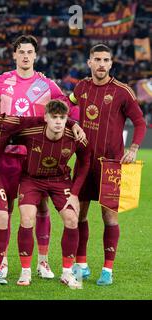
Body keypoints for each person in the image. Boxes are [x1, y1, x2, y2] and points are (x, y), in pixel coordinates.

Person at [0, 35, 79, 280]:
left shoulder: (47, 85)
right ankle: (4, 259)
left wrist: (73, 124)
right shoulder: (0, 81)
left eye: (30, 52)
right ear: (14, 55)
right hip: (7, 154)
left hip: (35, 156)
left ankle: (43, 262)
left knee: (41, 208)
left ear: (36, 55)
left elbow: (65, 107)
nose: (26, 56)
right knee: (5, 208)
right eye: (21, 52)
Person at [70, 44, 147, 286]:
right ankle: (81, 265)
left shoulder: (123, 92)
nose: (101, 64)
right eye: (97, 59)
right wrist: (72, 123)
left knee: (109, 218)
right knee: (78, 217)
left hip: (111, 166)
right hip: (83, 164)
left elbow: (140, 122)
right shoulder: (81, 87)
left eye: (106, 60)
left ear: (111, 64)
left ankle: (107, 270)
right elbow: (66, 103)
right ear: (89, 62)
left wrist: (133, 148)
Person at [14, 100, 90, 289]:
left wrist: (74, 192)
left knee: (72, 219)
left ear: (67, 119)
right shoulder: (31, 133)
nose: (58, 121)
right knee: (27, 219)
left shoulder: (75, 137)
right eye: (54, 117)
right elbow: (6, 136)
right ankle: (26, 271)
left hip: (59, 181)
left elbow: (86, 161)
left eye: (62, 118)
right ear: (46, 117)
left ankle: (67, 272)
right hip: (31, 180)